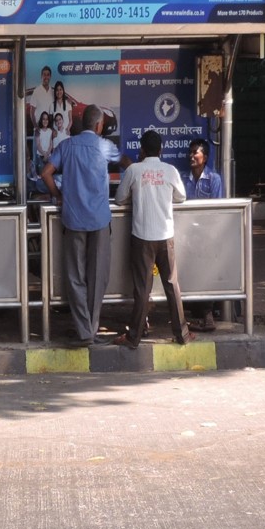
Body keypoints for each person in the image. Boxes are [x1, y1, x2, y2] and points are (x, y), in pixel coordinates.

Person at [40, 104, 121, 347]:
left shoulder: (66, 146)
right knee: (97, 277)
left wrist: (58, 195)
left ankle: (84, 331)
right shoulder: (104, 146)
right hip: (98, 220)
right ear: (99, 126)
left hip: (73, 219)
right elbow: (124, 161)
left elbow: (46, 173)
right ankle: (93, 327)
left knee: (75, 276)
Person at [114, 130, 190, 348]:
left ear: (141, 150)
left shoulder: (134, 170)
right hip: (166, 237)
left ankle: (134, 337)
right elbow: (181, 197)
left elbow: (119, 199)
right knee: (171, 285)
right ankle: (182, 334)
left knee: (142, 289)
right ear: (161, 150)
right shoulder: (170, 171)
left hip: (142, 237)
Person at [180, 138, 224, 331]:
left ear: (204, 157)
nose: (191, 156)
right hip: (188, 235)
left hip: (207, 235)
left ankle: (207, 316)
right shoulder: (184, 179)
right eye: (190, 153)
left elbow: (216, 209)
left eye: (195, 153)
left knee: (206, 273)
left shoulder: (214, 179)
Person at [33, 111, 56, 176]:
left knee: (48, 175)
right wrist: (44, 154)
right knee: (41, 174)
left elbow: (51, 144)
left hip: (48, 156)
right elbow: (38, 145)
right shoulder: (38, 131)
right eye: (43, 119)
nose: (45, 121)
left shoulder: (50, 131)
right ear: (41, 120)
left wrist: (47, 154)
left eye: (46, 119)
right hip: (40, 156)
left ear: (48, 120)